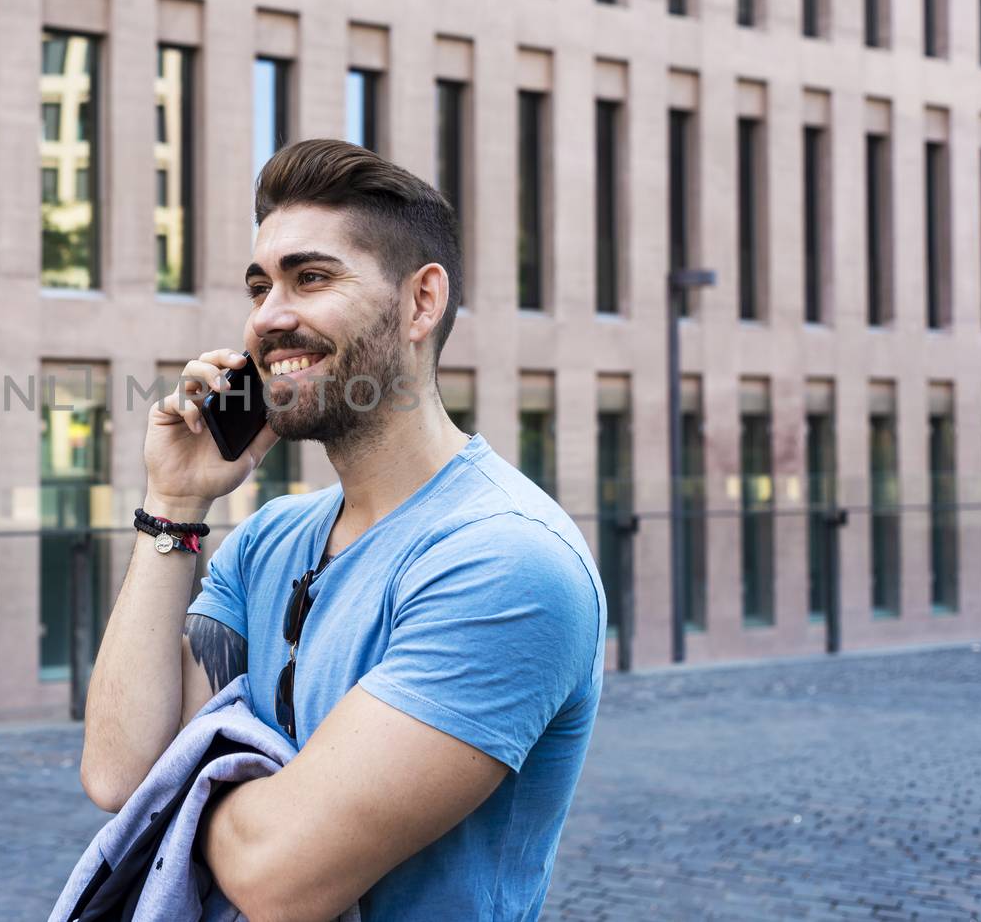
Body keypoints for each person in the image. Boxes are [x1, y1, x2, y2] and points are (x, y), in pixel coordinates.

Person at [79, 138, 605, 921]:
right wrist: (175, 501)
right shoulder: (266, 541)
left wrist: (189, 772)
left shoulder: (505, 559)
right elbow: (120, 775)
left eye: (311, 278)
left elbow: (277, 875)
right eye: (260, 287)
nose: (269, 317)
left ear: (421, 302)